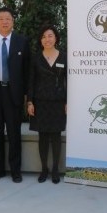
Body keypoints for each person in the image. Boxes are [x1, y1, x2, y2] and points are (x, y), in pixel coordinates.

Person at [0, 7, 31, 183]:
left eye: (8, 18)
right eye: (1, 18)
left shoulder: (22, 42)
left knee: (14, 133)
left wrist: (27, 94)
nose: (4, 21)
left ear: (13, 21)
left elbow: (27, 71)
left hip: (14, 93)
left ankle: (15, 171)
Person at [27, 24, 67, 184]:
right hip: (40, 102)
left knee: (56, 136)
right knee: (42, 137)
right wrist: (30, 102)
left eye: (50, 36)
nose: (47, 39)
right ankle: (44, 169)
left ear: (56, 38)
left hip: (58, 102)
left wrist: (67, 102)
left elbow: (69, 81)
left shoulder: (64, 57)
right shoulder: (36, 58)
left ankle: (55, 169)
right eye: (43, 36)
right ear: (40, 40)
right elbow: (31, 81)